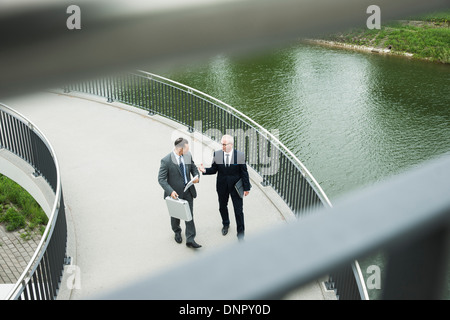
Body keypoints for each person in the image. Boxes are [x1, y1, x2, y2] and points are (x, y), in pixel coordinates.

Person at [199, 134, 251, 241]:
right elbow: (214, 169)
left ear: (231, 145)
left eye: (224, 144)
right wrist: (205, 171)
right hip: (222, 186)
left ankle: (240, 234)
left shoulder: (239, 155)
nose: (222, 146)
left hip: (236, 187)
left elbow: (244, 173)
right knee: (222, 206)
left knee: (238, 211)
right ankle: (225, 224)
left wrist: (246, 188)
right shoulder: (217, 155)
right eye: (221, 144)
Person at [158, 137, 201, 249]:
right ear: (180, 148)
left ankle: (190, 239)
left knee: (189, 215)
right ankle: (177, 231)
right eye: (186, 148)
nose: (188, 151)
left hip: (188, 191)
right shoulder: (166, 161)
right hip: (175, 194)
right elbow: (161, 179)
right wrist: (170, 191)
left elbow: (193, 168)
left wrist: (197, 177)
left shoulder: (187, 155)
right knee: (175, 216)